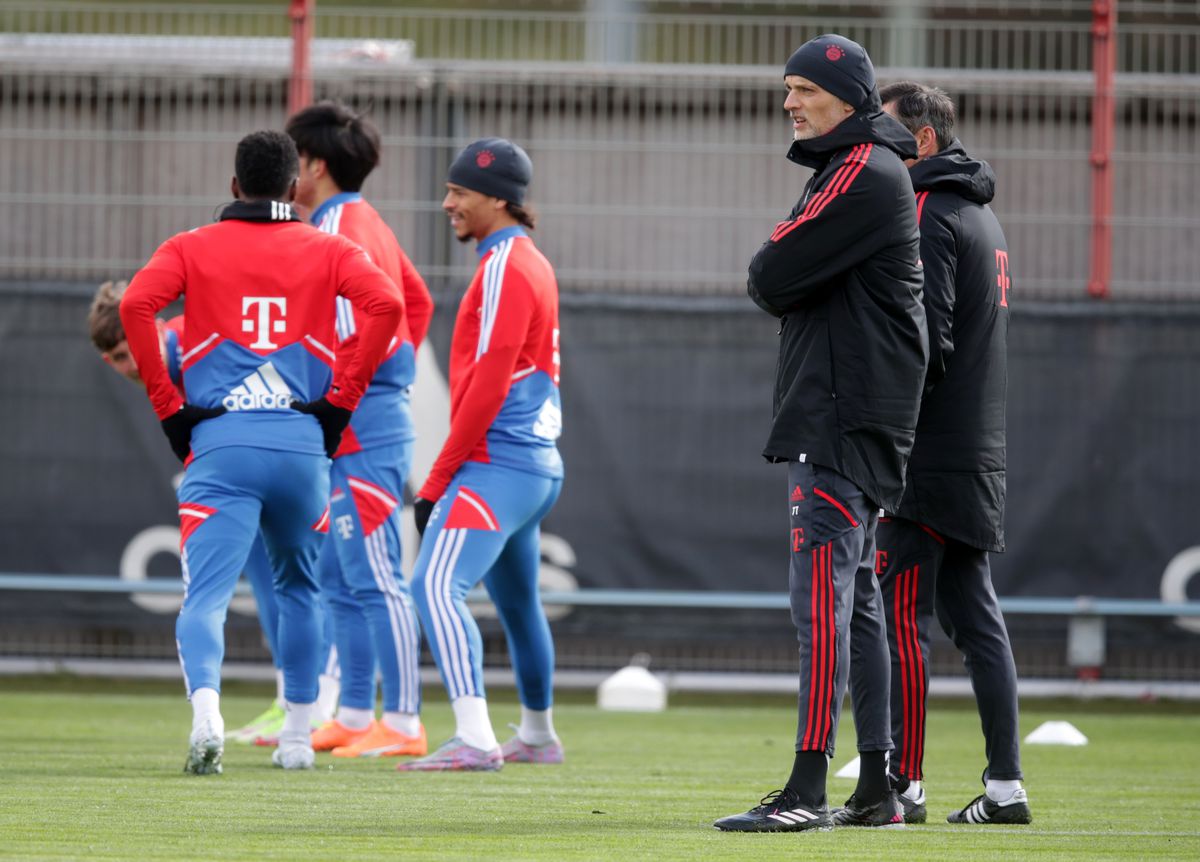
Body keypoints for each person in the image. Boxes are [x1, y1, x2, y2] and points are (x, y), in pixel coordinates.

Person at [119, 130, 404, 774]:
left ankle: (207, 715)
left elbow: (137, 305)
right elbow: (387, 302)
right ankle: (299, 738)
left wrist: (169, 408)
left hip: (221, 445)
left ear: (233, 186)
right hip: (302, 448)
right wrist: (340, 399)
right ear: (294, 187)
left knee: (207, 597)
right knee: (302, 589)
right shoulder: (329, 247)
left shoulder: (191, 246)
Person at [713, 34, 928, 832]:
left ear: (848, 97)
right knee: (859, 604)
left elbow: (769, 275)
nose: (789, 103)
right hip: (856, 417)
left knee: (823, 607)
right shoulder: (865, 170)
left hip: (839, 419)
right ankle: (875, 789)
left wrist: (782, 263)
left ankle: (806, 791)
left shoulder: (860, 173)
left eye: (802, 89)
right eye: (786, 88)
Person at [853, 81, 1029, 825]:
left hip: (927, 452)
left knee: (897, 616)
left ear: (923, 142)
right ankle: (1005, 789)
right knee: (976, 617)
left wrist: (885, 433)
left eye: (888, 138)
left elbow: (927, 341)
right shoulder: (980, 214)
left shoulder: (925, 210)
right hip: (977, 448)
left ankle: (904, 785)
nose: (876, 154)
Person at [87, 281, 342, 746]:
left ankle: (325, 705)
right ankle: (290, 702)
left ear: (158, 327)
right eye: (121, 358)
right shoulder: (161, 365)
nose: (132, 364)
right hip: (249, 471)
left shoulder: (197, 339)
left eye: (131, 350)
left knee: (311, 583)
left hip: (298, 457)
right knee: (267, 583)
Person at [397, 138, 564, 772]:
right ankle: (538, 735)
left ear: (499, 198)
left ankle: (475, 736)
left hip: (500, 462)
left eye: (460, 192)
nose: (448, 203)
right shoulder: (531, 262)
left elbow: (491, 382)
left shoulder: (503, 266)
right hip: (535, 462)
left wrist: (438, 478)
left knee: (432, 585)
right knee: (519, 603)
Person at [284, 102, 435, 759]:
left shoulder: (334, 229)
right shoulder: (361, 218)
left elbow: (373, 319)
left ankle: (402, 721)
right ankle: (351, 713)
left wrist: (367, 388)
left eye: (294, 160)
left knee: (375, 576)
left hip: (363, 422)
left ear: (315, 165)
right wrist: (392, 374)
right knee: (346, 576)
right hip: (366, 413)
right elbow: (417, 300)